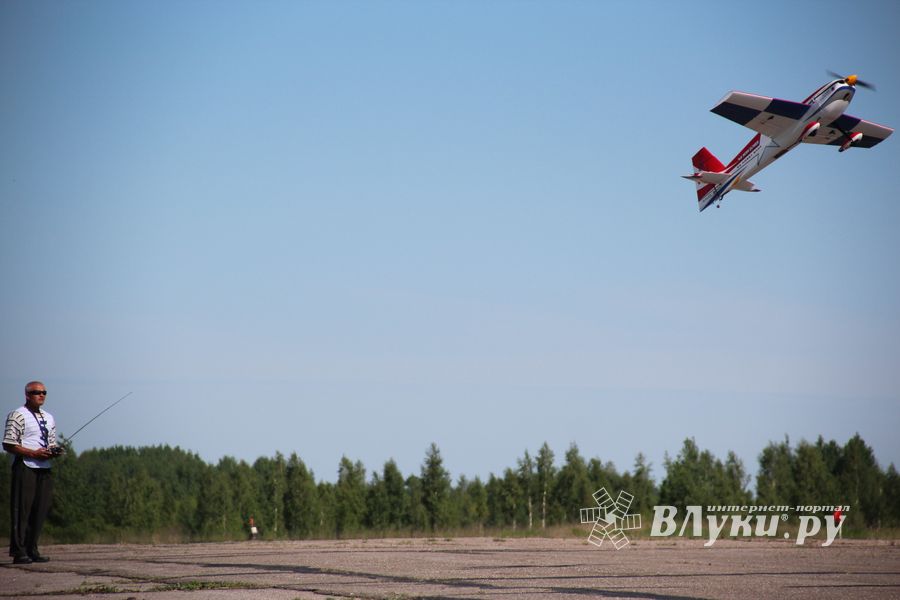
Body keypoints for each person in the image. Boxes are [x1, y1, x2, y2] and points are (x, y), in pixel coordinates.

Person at [3, 381, 59, 564]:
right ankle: (18, 552)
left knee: (40, 510)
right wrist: (32, 453)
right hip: (25, 466)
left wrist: (53, 451)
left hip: (45, 468)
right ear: (27, 395)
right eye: (36, 392)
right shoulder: (17, 415)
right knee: (22, 510)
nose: (41, 395)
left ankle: (32, 548)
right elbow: (8, 444)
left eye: (44, 392)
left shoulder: (49, 417)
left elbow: (50, 441)